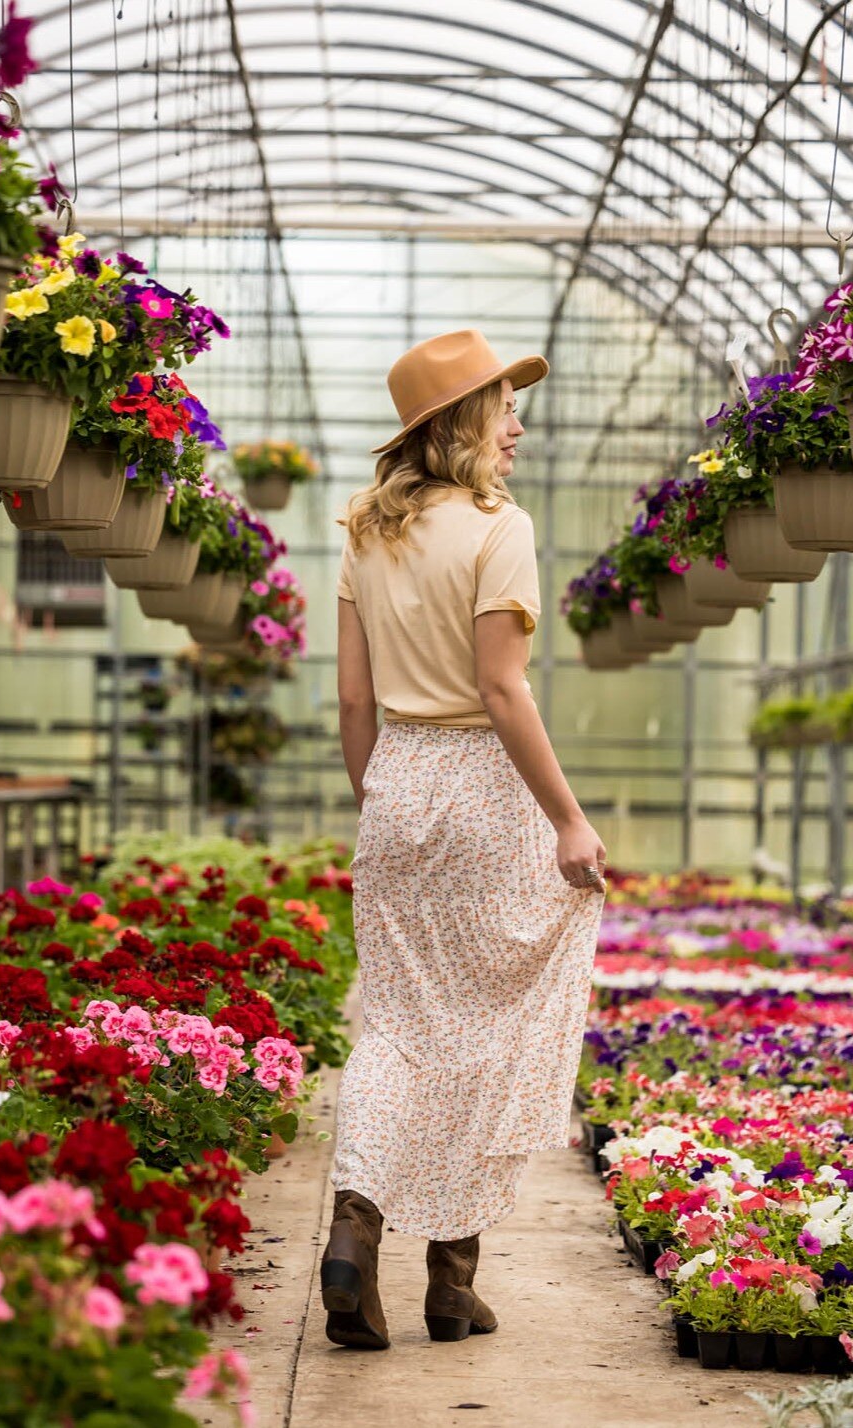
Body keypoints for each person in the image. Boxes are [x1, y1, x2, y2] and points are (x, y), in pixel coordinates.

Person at [323, 329, 606, 1351]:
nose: (517, 428)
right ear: (457, 427)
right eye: (502, 410)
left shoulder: (364, 532)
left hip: (398, 782)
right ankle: (452, 1280)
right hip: (487, 786)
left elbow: (353, 697)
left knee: (398, 1026)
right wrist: (568, 819)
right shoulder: (501, 527)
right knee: (492, 1026)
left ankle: (356, 1228)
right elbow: (500, 688)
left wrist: (385, 797)